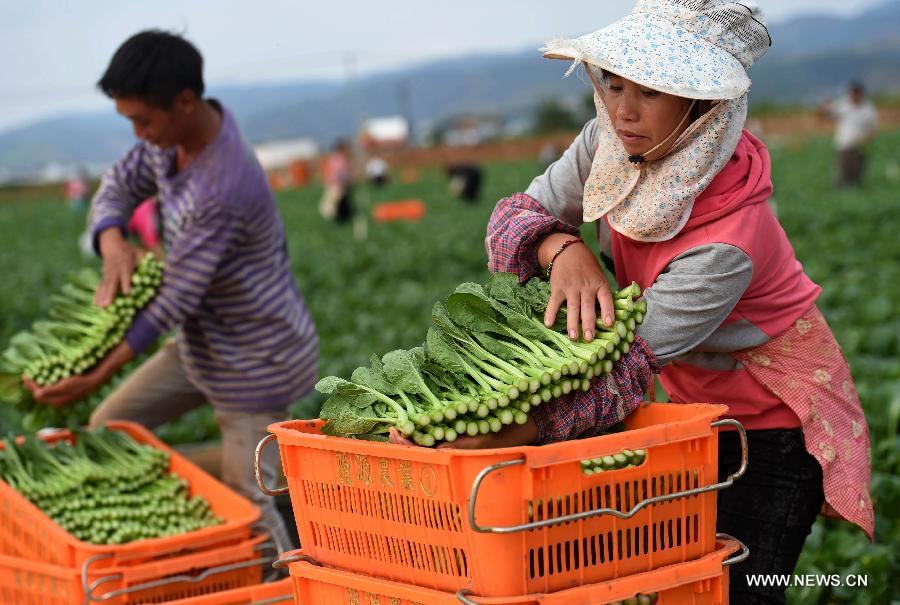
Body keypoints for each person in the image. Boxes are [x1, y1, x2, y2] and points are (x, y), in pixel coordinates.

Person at [394, 1, 873, 603]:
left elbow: (621, 369)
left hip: (774, 428)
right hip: (691, 410)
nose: (623, 110)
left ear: (701, 106)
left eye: (650, 93)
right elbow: (514, 215)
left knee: (740, 589)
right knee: (678, 578)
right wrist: (563, 248)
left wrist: (512, 431)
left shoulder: (729, 242)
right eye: (614, 85)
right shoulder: (608, 143)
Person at [24, 30, 319, 554]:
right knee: (112, 425)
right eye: (130, 121)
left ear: (185, 102)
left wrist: (94, 373)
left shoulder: (223, 184)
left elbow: (174, 298)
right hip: (203, 343)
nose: (138, 134)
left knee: (250, 498)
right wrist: (113, 241)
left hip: (258, 356)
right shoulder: (170, 142)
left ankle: (283, 582)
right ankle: (209, 494)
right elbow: (116, 184)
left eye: (144, 121)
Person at [820, 81, 879, 187]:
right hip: (844, 144)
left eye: (857, 93)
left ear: (861, 93)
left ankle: (857, 193)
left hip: (861, 145)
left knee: (858, 173)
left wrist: (869, 139)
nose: (854, 96)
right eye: (852, 93)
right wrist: (825, 108)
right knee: (844, 172)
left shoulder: (868, 108)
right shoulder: (843, 104)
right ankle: (841, 193)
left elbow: (872, 128)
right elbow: (827, 114)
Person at [319, 140, 354, 222]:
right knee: (334, 204)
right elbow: (342, 173)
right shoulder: (340, 159)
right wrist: (348, 181)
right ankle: (338, 220)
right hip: (338, 185)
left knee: (336, 204)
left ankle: (339, 221)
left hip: (334, 184)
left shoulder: (333, 158)